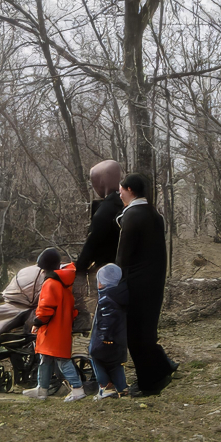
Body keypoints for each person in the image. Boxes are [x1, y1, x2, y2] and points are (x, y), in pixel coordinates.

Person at [115, 173, 177, 396]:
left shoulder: (132, 215)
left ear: (130, 189)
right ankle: (161, 367)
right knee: (147, 331)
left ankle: (149, 383)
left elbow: (123, 257)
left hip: (137, 284)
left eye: (121, 189)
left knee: (136, 336)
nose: (119, 193)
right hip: (155, 281)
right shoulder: (153, 213)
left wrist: (115, 281)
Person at [22, 248, 87, 402]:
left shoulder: (50, 283)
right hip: (62, 326)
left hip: (52, 329)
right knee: (46, 359)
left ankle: (77, 389)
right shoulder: (65, 281)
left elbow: (46, 309)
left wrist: (37, 322)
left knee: (62, 360)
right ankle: (42, 389)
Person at [75, 160, 125, 276]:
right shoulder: (127, 204)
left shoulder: (105, 211)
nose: (93, 186)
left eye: (94, 182)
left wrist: (79, 268)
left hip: (108, 271)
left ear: (102, 181)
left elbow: (92, 244)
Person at [88, 263, 129, 400]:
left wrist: (104, 337)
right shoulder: (121, 295)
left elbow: (107, 320)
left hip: (105, 339)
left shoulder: (107, 299)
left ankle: (105, 386)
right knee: (116, 365)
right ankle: (122, 389)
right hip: (119, 340)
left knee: (95, 357)